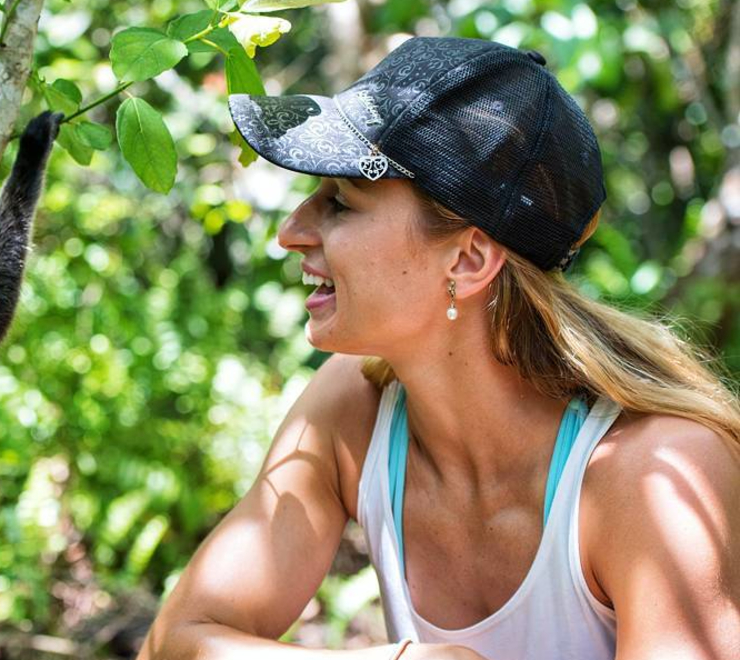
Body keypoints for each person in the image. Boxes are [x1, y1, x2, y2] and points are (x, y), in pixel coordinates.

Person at [137, 36, 740, 660]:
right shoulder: (353, 408)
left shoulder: (654, 475)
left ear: (469, 259)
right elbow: (172, 644)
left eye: (340, 203)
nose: (291, 232)